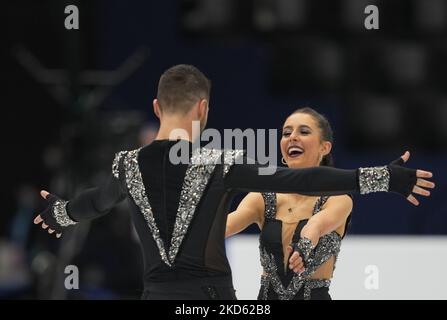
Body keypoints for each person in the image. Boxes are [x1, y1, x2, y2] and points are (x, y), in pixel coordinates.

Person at [33, 65, 434, 300]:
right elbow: (304, 178)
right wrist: (385, 178)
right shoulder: (219, 162)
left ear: (156, 108)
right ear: (204, 109)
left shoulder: (127, 165)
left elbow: (93, 203)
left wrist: (60, 213)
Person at [225, 107, 435, 300]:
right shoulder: (262, 197)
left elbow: (316, 225)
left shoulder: (338, 199)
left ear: (325, 147)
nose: (292, 138)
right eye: (286, 133)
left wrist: (304, 247)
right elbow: (222, 227)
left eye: (304, 132)